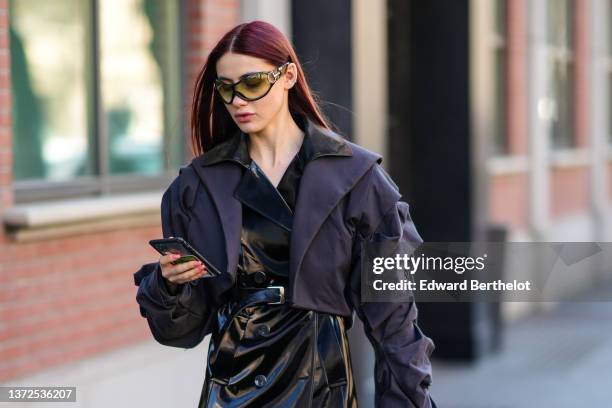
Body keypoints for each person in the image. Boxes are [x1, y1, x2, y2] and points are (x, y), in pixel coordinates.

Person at [134, 20, 437, 408]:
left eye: (253, 83)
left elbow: (394, 321)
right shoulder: (197, 187)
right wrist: (169, 286)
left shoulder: (357, 179)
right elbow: (183, 331)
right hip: (233, 387)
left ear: (289, 75)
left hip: (321, 383)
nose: (238, 101)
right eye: (226, 89)